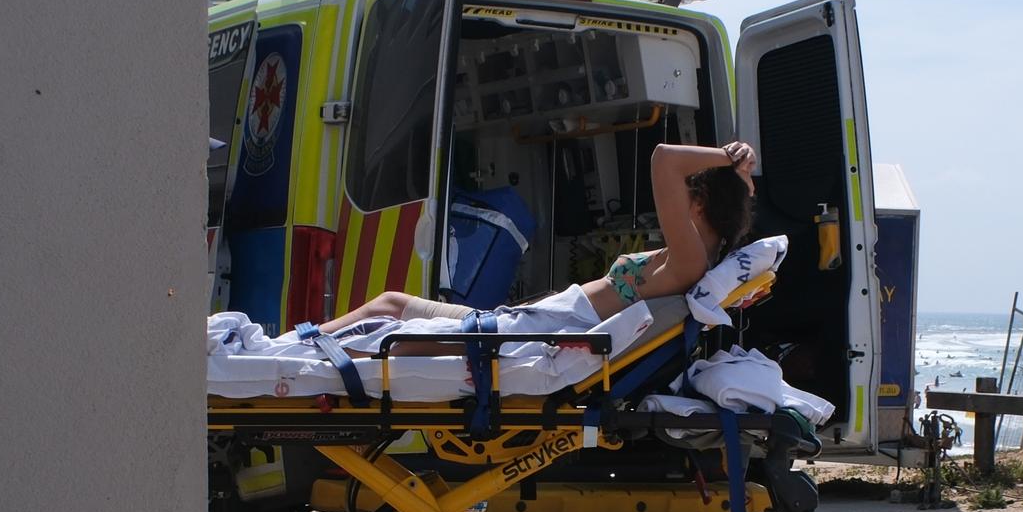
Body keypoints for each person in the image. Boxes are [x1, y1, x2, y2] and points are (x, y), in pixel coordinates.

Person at [318, 142, 756, 354]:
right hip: (533, 321)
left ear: (698, 202)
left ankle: (287, 354)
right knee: (391, 307)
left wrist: (727, 156)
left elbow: (664, 158)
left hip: (534, 333)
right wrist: (738, 168)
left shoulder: (692, 257)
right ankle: (290, 346)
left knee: (388, 330)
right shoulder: (693, 256)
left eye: (688, 193)